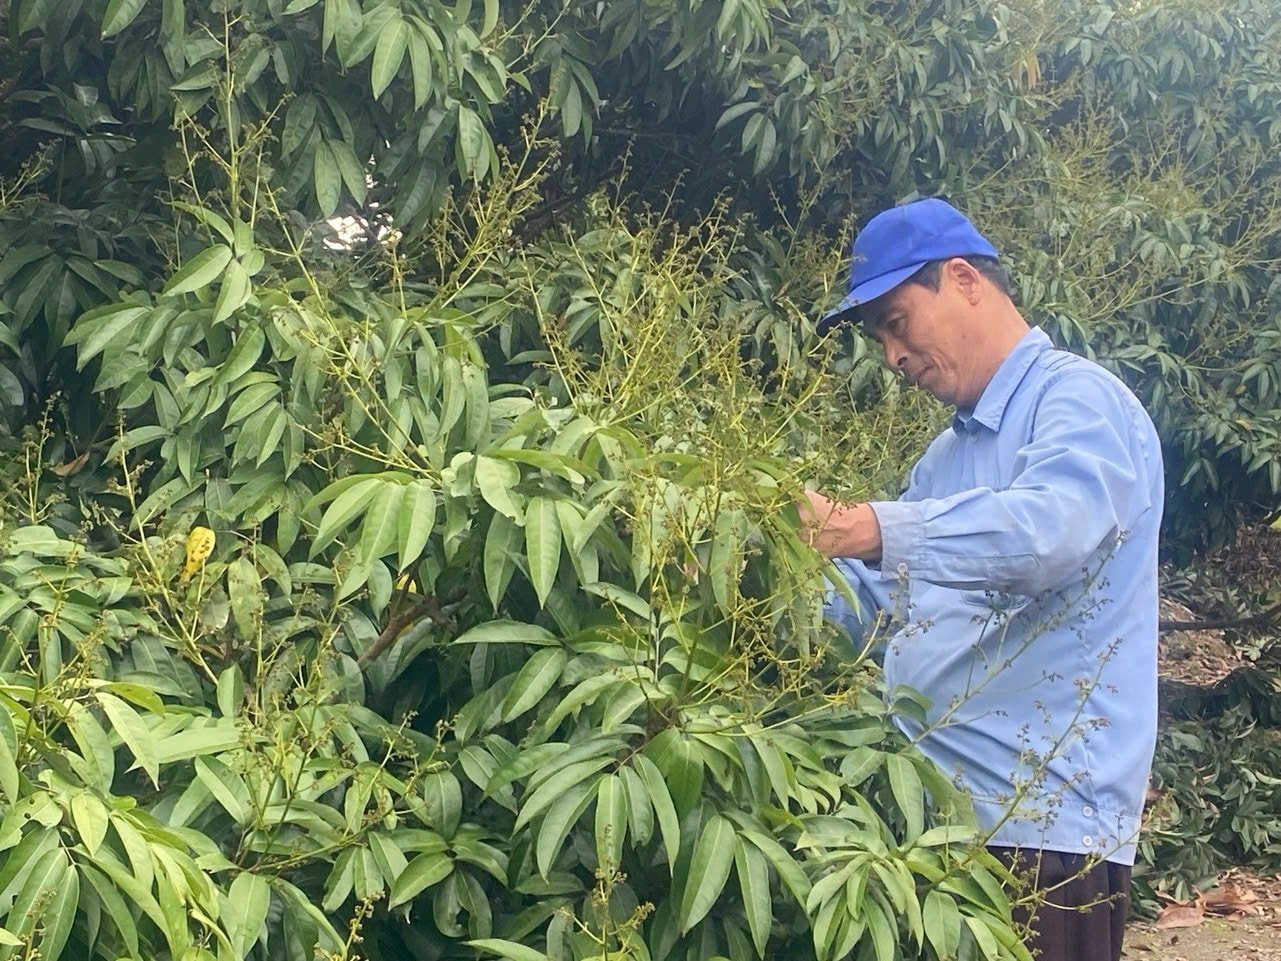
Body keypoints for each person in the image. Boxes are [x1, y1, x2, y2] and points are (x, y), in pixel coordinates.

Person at [804, 198, 1164, 961]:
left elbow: (1046, 533)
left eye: (896, 323)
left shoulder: (1079, 400)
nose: (891, 357)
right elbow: (875, 608)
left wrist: (865, 525)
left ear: (962, 279)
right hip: (928, 825)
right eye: (878, 340)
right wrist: (755, 567)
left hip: (1039, 834)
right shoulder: (942, 460)